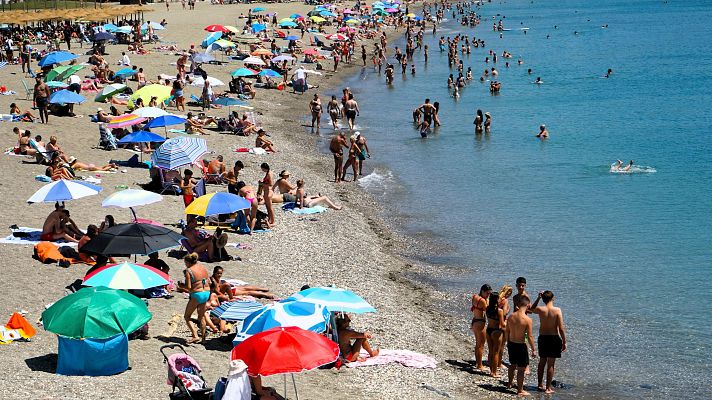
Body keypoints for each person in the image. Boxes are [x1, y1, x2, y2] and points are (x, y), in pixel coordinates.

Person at [531, 291, 567, 394]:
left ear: (543, 299)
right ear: (553, 298)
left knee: (542, 362)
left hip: (542, 338)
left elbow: (531, 309)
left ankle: (539, 384)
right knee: (551, 365)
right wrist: (564, 341)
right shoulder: (557, 310)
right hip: (554, 338)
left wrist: (538, 298)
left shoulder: (541, 309)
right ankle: (548, 388)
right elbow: (561, 328)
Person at [505, 295, 537, 396]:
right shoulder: (527, 320)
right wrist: (533, 349)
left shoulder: (511, 316)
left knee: (512, 365)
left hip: (511, 343)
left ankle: (509, 383)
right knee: (521, 369)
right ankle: (520, 390)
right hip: (521, 346)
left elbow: (507, 331)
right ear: (527, 305)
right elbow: (530, 336)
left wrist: (507, 342)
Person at [181, 253, 211, 344]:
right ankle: (204, 339)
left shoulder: (188, 271)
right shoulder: (202, 267)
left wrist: (181, 286)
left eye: (185, 263)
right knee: (201, 316)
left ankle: (195, 335)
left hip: (197, 294)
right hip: (206, 293)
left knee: (187, 316)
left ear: (188, 262)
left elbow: (189, 287)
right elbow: (208, 281)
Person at [470, 284, 492, 371]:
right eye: (487, 293)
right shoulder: (483, 301)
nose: (488, 295)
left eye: (489, 294)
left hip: (475, 321)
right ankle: (479, 365)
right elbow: (488, 311)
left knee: (478, 344)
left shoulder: (475, 297)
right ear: (482, 291)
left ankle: (477, 362)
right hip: (480, 323)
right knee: (481, 345)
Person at [486, 291, 506, 377]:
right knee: (496, 352)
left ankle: (491, 371)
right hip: (496, 331)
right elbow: (502, 324)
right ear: (497, 299)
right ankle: (494, 372)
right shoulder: (499, 311)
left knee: (490, 351)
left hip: (489, 330)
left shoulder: (487, 308)